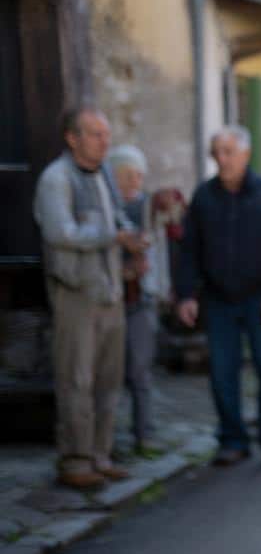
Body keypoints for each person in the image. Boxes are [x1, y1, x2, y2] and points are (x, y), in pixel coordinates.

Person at [175, 126, 261, 467]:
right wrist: (186, 294)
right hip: (218, 300)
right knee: (222, 373)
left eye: (229, 152)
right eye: (217, 152)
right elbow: (189, 250)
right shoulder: (204, 197)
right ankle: (232, 440)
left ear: (246, 154)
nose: (222, 159)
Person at [34, 108, 143, 488]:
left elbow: (117, 219)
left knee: (109, 380)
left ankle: (101, 454)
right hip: (76, 293)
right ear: (72, 138)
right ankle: (75, 460)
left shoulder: (105, 174)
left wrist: (131, 238)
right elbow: (60, 233)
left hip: (110, 290)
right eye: (95, 134)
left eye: (106, 134)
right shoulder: (55, 178)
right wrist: (112, 236)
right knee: (76, 379)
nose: (104, 141)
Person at [108, 145, 169, 455]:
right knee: (108, 375)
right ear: (113, 177)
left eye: (139, 175)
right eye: (127, 174)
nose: (135, 181)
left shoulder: (148, 208)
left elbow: (164, 243)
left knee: (140, 371)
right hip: (110, 299)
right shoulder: (107, 208)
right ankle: (106, 442)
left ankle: (145, 434)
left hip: (141, 298)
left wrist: (159, 285)